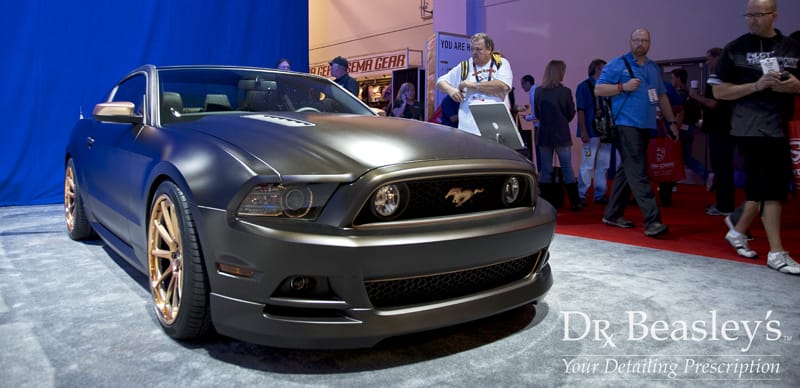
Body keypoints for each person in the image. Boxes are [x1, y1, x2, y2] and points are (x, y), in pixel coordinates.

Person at [713, 0, 800, 274]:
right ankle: (777, 252)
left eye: (758, 15)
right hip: (749, 127)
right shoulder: (735, 48)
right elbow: (719, 92)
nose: (752, 20)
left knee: (764, 187)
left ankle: (737, 230)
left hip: (780, 126)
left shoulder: (792, 48)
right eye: (748, 15)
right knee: (771, 190)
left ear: (773, 15)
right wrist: (756, 85)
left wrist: (795, 86)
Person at [595, 28, 679, 238]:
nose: (640, 43)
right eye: (637, 40)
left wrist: (671, 122)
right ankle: (653, 221)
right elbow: (599, 89)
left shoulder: (652, 67)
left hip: (646, 125)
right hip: (625, 124)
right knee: (639, 170)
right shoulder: (618, 64)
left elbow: (661, 96)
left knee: (628, 169)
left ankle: (613, 214)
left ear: (649, 43)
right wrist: (623, 87)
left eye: (644, 40)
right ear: (630, 42)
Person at [436, 32, 513, 136]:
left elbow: (502, 86)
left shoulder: (500, 62)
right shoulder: (465, 65)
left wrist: (472, 85)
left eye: (479, 49)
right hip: (468, 129)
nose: (474, 52)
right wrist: (451, 90)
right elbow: (440, 82)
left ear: (489, 49)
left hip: (496, 128)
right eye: (472, 49)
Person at [694, 48, 736, 217]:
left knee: (723, 167)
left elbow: (713, 104)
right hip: (721, 127)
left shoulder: (720, 77)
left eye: (709, 59)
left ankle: (725, 206)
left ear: (718, 58)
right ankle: (723, 203)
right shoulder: (724, 76)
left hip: (721, 129)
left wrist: (695, 96)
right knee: (722, 167)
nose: (707, 63)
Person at [534, 60, 579, 211]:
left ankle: (545, 203)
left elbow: (538, 114)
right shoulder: (565, 92)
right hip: (561, 134)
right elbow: (570, 114)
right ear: (560, 73)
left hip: (544, 134)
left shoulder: (539, 91)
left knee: (545, 169)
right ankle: (574, 202)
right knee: (567, 168)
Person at [575, 59, 613, 206]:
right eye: (605, 68)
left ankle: (600, 194)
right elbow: (581, 110)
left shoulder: (607, 88)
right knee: (587, 164)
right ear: (597, 69)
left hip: (606, 132)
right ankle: (581, 194)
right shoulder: (584, 87)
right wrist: (584, 131)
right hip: (591, 132)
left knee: (603, 165)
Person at [671, 68, 710, 187]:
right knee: (686, 157)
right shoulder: (691, 94)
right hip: (689, 129)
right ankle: (707, 175)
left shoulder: (679, 95)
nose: (671, 80)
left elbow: (679, 111)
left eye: (672, 77)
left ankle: (671, 184)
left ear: (678, 78)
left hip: (680, 129)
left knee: (675, 157)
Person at [520, 74, 538, 164]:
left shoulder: (533, 92)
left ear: (528, 83)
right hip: (540, 125)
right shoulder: (536, 90)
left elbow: (536, 114)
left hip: (539, 126)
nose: (522, 87)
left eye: (522, 84)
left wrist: (527, 117)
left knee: (539, 151)